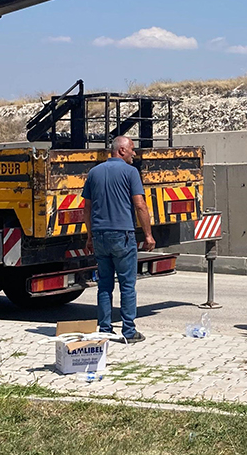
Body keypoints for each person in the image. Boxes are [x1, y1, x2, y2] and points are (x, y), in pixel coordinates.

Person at [80, 135, 155, 343]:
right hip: (122, 235)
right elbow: (140, 205)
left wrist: (89, 235)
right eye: (131, 148)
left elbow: (86, 208)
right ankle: (129, 331)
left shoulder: (94, 173)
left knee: (104, 284)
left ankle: (105, 328)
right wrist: (148, 234)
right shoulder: (131, 172)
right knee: (127, 284)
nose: (134, 153)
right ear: (121, 150)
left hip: (100, 235)